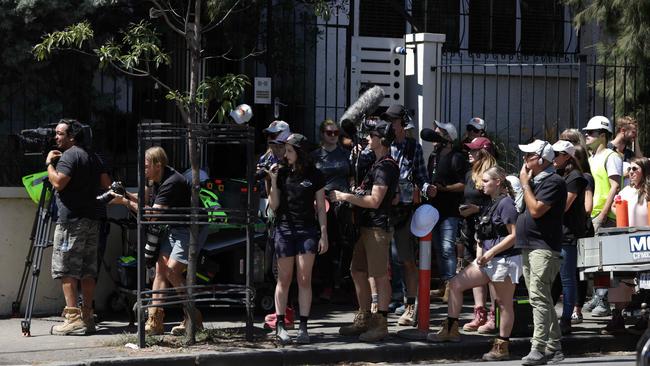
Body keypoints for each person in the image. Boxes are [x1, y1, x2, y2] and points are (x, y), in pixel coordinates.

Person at [428, 166, 520, 361]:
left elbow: (514, 235)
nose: (481, 184)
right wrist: (481, 253)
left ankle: (502, 346)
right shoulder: (491, 203)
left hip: (504, 260)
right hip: (488, 259)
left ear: (498, 182)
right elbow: (483, 233)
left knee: (503, 304)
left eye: (486, 181)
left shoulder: (506, 204)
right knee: (455, 284)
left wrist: (491, 252)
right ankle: (451, 329)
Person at [116, 146, 202, 336]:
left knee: (172, 271)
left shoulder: (172, 182)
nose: (143, 169)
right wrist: (124, 194)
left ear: (158, 165)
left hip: (190, 228)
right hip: (174, 226)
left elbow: (153, 215)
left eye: (146, 166)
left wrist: (124, 203)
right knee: (160, 271)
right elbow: (145, 200)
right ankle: (154, 320)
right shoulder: (157, 179)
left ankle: (193, 317)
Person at [331, 120, 399, 342]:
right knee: (357, 270)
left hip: (377, 226)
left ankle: (381, 323)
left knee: (379, 276)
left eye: (372, 135)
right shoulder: (376, 163)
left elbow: (375, 201)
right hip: (366, 225)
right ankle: (364, 317)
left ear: (383, 140)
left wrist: (346, 197)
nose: (368, 139)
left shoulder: (386, 166)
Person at [268, 133, 328, 344]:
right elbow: (274, 206)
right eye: (286, 150)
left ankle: (303, 326)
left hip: (307, 231)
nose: (286, 154)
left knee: (304, 278)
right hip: (284, 230)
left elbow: (321, 207)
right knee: (283, 279)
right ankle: (280, 324)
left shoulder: (316, 175)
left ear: (300, 153)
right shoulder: (281, 173)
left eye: (290, 150)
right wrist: (273, 181)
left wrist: (324, 234)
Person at [46, 119, 105, 336]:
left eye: (60, 133)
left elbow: (58, 182)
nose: (56, 137)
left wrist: (49, 164)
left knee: (67, 269)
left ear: (72, 136)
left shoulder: (70, 155)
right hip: (91, 219)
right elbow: (105, 182)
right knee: (88, 270)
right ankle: (87, 317)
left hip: (71, 222)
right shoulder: (91, 155)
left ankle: (72, 319)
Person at [516, 139, 567, 365]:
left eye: (528, 156)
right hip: (531, 245)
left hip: (543, 248)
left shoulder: (553, 181)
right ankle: (554, 348)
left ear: (540, 159)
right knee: (541, 299)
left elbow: (536, 210)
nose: (525, 159)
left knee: (538, 298)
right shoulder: (537, 180)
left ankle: (537, 348)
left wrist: (525, 184)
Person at [381, 104, 431, 326]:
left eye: (393, 121)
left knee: (406, 259)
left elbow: (421, 176)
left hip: (403, 209)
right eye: (388, 121)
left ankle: (410, 305)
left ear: (403, 123)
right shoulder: (382, 145)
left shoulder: (413, 147)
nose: (390, 125)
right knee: (382, 260)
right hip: (381, 208)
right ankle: (381, 305)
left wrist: (429, 187)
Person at [601, 157, 650, 334]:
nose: (631, 172)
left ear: (644, 171)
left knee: (646, 282)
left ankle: (645, 318)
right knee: (621, 279)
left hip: (646, 240)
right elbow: (616, 206)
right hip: (626, 240)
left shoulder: (648, 191)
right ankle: (618, 317)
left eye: (635, 169)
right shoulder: (626, 190)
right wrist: (617, 209)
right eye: (629, 169)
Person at [583, 116, 622, 317]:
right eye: (587, 132)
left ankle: (603, 300)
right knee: (594, 262)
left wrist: (605, 212)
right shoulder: (591, 158)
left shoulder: (611, 157)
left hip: (604, 215)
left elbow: (615, 186)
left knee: (604, 262)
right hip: (593, 214)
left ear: (603, 135)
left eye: (592, 132)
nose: (587, 135)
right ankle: (598, 296)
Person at [426, 121, 469, 302]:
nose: (434, 136)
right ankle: (444, 283)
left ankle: (452, 286)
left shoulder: (457, 157)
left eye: (439, 133)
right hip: (434, 210)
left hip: (450, 210)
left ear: (448, 138)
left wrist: (444, 189)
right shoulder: (433, 157)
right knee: (438, 248)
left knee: (446, 248)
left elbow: (464, 184)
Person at [458, 137, 498, 334]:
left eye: (474, 151)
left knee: (490, 272)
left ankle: (493, 314)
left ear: (484, 153)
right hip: (470, 228)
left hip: (488, 231)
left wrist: (477, 208)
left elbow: (498, 204)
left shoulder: (494, 175)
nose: (470, 153)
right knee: (476, 271)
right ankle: (479, 312)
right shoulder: (469, 174)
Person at [311, 120, 352, 303]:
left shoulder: (346, 154)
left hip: (343, 202)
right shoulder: (315, 156)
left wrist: (349, 194)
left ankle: (343, 283)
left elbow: (352, 177)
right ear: (322, 134)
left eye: (336, 132)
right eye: (329, 133)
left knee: (345, 243)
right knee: (324, 244)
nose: (333, 136)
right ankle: (326, 283)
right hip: (323, 204)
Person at [551, 140, 588, 335]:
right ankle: (550, 318)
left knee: (567, 278)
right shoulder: (558, 174)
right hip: (556, 233)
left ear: (567, 156)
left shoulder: (575, 177)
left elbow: (564, 205)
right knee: (555, 278)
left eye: (556, 153)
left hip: (569, 234)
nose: (553, 158)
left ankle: (566, 318)